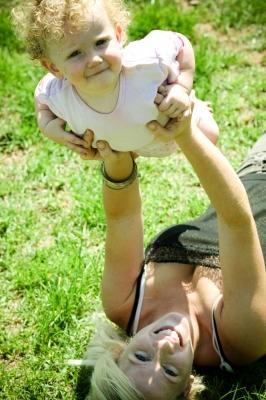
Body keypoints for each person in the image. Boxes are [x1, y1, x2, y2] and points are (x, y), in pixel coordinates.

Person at [67, 105, 266, 399]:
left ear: (119, 352)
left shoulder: (124, 301)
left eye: (141, 357)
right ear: (187, 388)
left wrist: (114, 154)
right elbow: (236, 221)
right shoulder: (241, 338)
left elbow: (123, 218)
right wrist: (186, 134)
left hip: (255, 169)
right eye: (170, 371)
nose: (165, 346)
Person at [12, 0, 219, 158]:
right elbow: (41, 97)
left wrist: (182, 87)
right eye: (75, 54)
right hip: (134, 147)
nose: (94, 59)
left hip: (174, 116)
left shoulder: (145, 62)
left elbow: (181, 43)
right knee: (121, 169)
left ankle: (197, 105)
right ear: (54, 67)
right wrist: (48, 128)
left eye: (101, 42)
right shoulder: (60, 92)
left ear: (118, 35)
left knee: (209, 134)